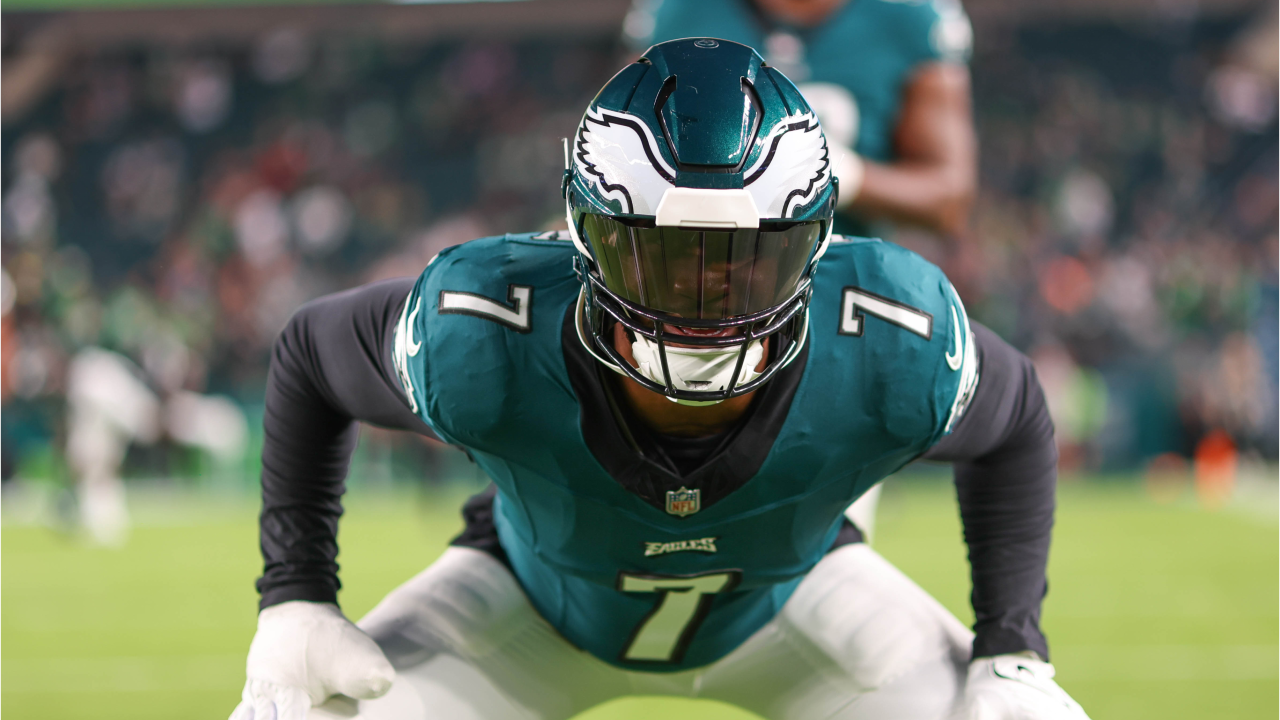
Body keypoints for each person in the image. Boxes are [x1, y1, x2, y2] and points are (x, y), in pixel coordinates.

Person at [230, 40, 1087, 720]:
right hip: (527, 608)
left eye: (747, 261)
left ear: (813, 248)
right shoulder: (486, 333)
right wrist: (295, 596)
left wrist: (1013, 647)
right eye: (664, 257)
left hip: (794, 607)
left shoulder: (891, 336)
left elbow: (1012, 422)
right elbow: (311, 355)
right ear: (585, 235)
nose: (704, 300)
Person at [630, 0, 978, 538]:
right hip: (690, 305)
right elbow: (619, 153)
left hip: (831, 311)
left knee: (814, 545)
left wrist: (845, 173)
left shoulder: (908, 18)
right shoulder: (679, 12)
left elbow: (951, 194)